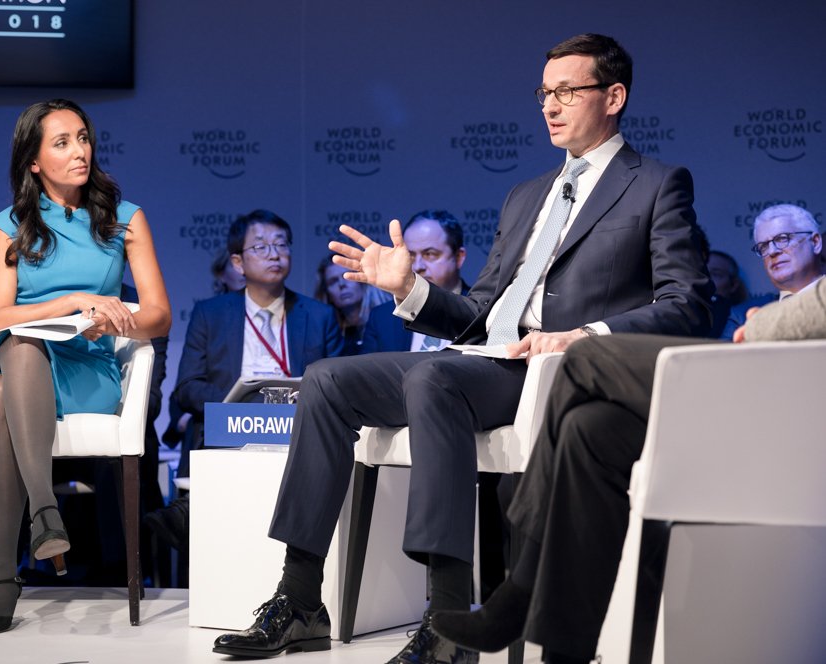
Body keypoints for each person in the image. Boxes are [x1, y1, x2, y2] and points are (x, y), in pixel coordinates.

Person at [212, 33, 711, 663]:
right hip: (484, 360)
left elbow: (687, 304)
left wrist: (584, 337)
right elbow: (478, 316)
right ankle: (301, 601)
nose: (550, 105)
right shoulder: (526, 195)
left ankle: (447, 620)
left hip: (555, 371)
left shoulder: (657, 184)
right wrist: (410, 288)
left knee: (433, 379)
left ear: (614, 97)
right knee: (326, 380)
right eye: (544, 93)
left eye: (566, 91)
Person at [429, 275, 826, 664]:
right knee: (589, 429)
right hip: (785, 369)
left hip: (797, 382)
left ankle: (519, 588)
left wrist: (768, 322)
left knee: (582, 357)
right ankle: (564, 655)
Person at [0, 98, 171, 635]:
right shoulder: (10, 225)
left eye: (82, 138)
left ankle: (2, 569)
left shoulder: (125, 219)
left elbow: (158, 315)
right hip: (22, 354)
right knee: (18, 346)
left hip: (88, 366)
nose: (80, 151)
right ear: (34, 161)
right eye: (62, 143)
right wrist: (71, 301)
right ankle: (43, 511)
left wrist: (114, 321)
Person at [145, 209, 344, 555]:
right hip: (230, 425)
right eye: (261, 246)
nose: (274, 254)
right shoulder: (210, 314)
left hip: (297, 425)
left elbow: (338, 384)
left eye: (281, 244)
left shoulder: (319, 316)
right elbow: (188, 387)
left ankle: (190, 511)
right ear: (237, 262)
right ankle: (195, 516)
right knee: (210, 424)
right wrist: (249, 403)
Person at [361, 210, 470, 354]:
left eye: (430, 254)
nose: (418, 266)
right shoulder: (382, 318)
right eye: (410, 256)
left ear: (458, 257)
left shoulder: (484, 313)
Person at [720, 204, 824, 339]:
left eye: (783, 239)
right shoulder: (741, 317)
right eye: (764, 246)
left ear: (815, 242)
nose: (772, 251)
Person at [314, 254, 388, 355]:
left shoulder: (386, 318)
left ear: (363, 280)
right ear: (327, 293)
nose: (342, 284)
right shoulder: (328, 333)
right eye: (333, 281)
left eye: (348, 276)